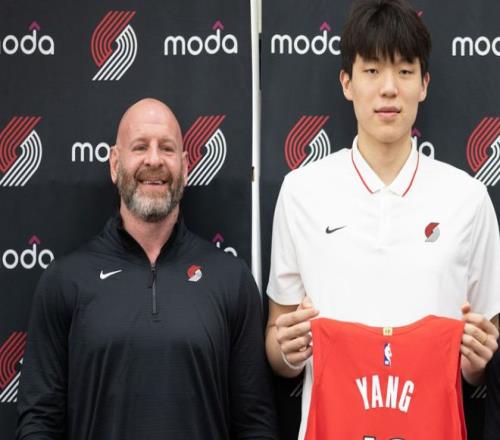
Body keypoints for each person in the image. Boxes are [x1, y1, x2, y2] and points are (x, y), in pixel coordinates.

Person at [265, 0, 500, 438]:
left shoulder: (468, 199)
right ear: (347, 82)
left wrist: (477, 361)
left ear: (424, 84)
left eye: (405, 71)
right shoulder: (301, 192)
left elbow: (485, 353)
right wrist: (288, 351)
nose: (389, 89)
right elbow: (278, 349)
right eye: (372, 70)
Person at [16, 98, 277, 440]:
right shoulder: (64, 281)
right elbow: (38, 422)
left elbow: (255, 424)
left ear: (185, 165)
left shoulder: (231, 279)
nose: (154, 160)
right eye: (140, 147)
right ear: (115, 164)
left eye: (166, 148)